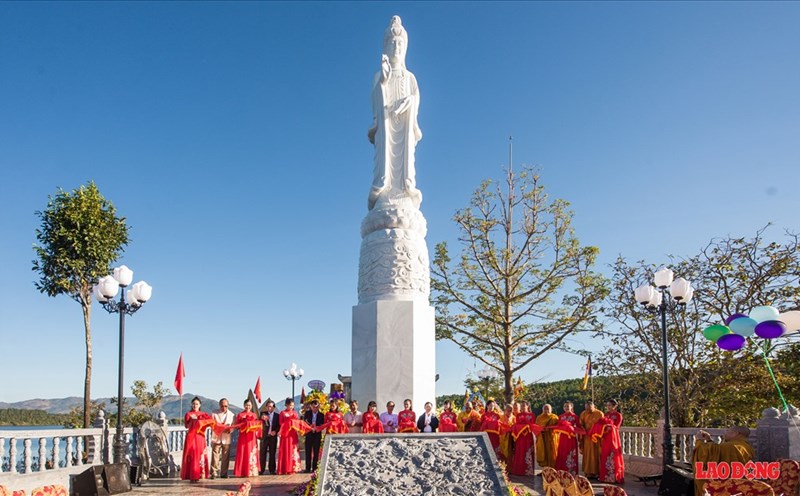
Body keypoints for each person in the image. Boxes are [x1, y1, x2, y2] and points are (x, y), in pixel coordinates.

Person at [367, 15, 423, 211]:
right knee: (385, 164)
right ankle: (384, 193)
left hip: (405, 130)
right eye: (392, 43)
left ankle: (404, 193)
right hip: (386, 131)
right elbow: (375, 101)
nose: (396, 47)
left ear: (405, 47)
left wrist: (411, 101)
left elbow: (416, 97)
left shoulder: (410, 78)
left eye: (400, 43)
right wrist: (383, 82)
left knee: (406, 164)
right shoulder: (379, 75)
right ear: (386, 47)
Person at [692, 426, 755, 496]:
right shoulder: (745, 446)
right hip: (742, 484)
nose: (725, 432)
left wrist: (699, 440)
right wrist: (709, 440)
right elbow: (716, 451)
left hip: (728, 485)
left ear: (736, 433)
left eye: (728, 430)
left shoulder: (732, 446)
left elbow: (708, 453)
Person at [589, 407, 624, 484]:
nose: (608, 407)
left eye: (610, 405)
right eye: (607, 405)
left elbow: (617, 426)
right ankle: (605, 476)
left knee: (613, 455)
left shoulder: (618, 415)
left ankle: (614, 477)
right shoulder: (606, 414)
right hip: (605, 437)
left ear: (615, 406)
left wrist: (609, 426)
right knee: (605, 455)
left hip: (613, 436)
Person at [181, 397, 212, 482]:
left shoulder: (203, 414)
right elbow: (186, 426)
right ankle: (191, 475)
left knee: (199, 455)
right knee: (191, 455)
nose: (195, 405)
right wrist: (193, 421)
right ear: (191, 404)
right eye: (193, 404)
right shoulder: (188, 414)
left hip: (200, 437)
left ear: (200, 405)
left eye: (197, 404)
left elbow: (209, 423)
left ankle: (199, 474)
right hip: (191, 437)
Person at [233, 398, 261, 477]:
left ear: (251, 406)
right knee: (243, 452)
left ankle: (252, 470)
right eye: (246, 405)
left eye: (249, 405)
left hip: (251, 437)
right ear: (244, 405)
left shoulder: (254, 415)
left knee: (251, 452)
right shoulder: (240, 415)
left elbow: (257, 425)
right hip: (243, 436)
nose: (247, 407)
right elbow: (237, 426)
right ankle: (242, 471)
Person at [510, 402, 539, 476]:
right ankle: (519, 470)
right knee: (520, 451)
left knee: (528, 451)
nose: (522, 407)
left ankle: (528, 471)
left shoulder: (531, 415)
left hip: (528, 436)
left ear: (527, 406)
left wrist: (525, 425)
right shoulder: (518, 415)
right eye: (521, 406)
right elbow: (517, 424)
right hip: (520, 436)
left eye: (524, 406)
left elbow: (532, 425)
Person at [277, 398, 304, 475]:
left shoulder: (295, 413)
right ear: (286, 405)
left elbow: (297, 423)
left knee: (293, 450)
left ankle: (293, 467)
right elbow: (281, 423)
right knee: (285, 450)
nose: (291, 407)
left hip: (293, 435)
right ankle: (284, 468)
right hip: (285, 434)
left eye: (292, 405)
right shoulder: (282, 413)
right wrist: (288, 423)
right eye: (290, 405)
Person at [210, 398, 234, 479]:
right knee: (215, 456)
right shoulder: (214, 413)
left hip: (226, 437)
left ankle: (224, 473)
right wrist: (217, 428)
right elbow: (211, 424)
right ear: (219, 405)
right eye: (222, 406)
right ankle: (214, 472)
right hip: (216, 437)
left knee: (225, 457)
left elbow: (233, 426)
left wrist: (229, 430)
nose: (224, 408)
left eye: (225, 406)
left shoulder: (232, 415)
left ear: (228, 406)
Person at [579, 401, 604, 479]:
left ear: (594, 406)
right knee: (587, 454)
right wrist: (584, 430)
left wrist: (595, 432)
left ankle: (597, 472)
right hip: (587, 437)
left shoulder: (599, 414)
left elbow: (603, 424)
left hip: (596, 437)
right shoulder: (583, 413)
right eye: (586, 408)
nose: (588, 410)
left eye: (589, 408)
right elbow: (581, 424)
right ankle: (588, 472)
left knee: (597, 454)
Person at [554, 401, 580, 475]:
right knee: (562, 452)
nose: (566, 408)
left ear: (571, 407)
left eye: (568, 406)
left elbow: (578, 427)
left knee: (571, 453)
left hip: (571, 438)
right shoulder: (561, 416)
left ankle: (571, 471)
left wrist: (571, 428)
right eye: (565, 406)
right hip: (563, 437)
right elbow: (558, 427)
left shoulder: (575, 417)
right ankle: (561, 471)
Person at [303, 400, 325, 473]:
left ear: (318, 406)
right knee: (308, 452)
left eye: (316, 407)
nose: (315, 408)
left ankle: (315, 468)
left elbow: (322, 424)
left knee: (316, 452)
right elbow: (304, 423)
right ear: (311, 407)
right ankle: (307, 468)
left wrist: (317, 427)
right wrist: (310, 427)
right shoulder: (307, 413)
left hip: (317, 435)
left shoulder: (321, 415)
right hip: (309, 434)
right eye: (313, 407)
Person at [259, 400, 280, 475]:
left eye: (270, 406)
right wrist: (262, 418)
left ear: (273, 407)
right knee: (262, 453)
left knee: (272, 453)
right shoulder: (263, 414)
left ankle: (272, 470)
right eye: (268, 406)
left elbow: (279, 426)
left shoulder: (277, 415)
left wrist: (275, 431)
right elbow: (258, 420)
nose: (269, 408)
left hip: (273, 437)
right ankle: (261, 470)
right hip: (264, 436)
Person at [536, 404, 560, 469]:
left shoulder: (555, 417)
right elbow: (536, 428)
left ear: (551, 409)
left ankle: (553, 469)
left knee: (552, 453)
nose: (546, 410)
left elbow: (558, 428)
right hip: (542, 438)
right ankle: (545, 470)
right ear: (542, 409)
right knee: (544, 453)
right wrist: (541, 429)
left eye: (548, 408)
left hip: (551, 437)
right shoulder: (539, 418)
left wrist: (550, 428)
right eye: (545, 408)